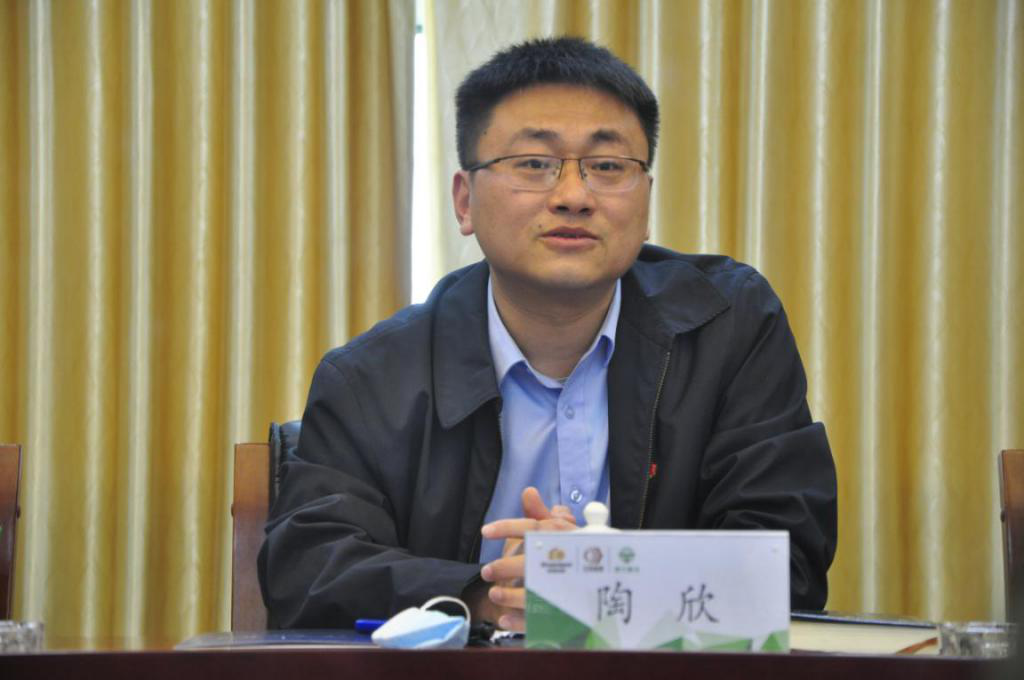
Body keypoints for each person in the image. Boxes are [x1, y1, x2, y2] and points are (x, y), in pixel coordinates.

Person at [258, 36, 837, 632]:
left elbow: (789, 561)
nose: (573, 196)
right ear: (465, 201)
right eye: (534, 163)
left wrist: (596, 583)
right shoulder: (372, 377)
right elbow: (308, 569)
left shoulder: (728, 329)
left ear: (645, 200)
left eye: (607, 166)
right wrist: (489, 598)